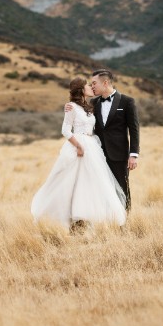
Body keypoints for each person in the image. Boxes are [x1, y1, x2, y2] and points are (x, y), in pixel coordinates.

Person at [31, 76, 126, 230]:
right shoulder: (72, 107)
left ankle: (89, 217)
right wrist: (79, 146)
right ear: (81, 89)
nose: (91, 87)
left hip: (92, 146)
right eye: (88, 85)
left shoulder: (88, 106)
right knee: (71, 181)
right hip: (79, 147)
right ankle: (69, 216)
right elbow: (65, 130)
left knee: (92, 181)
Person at [66, 68, 140, 211]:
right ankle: (105, 222)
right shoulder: (93, 103)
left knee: (122, 188)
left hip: (119, 155)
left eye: (94, 83)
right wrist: (70, 106)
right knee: (99, 190)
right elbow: (79, 113)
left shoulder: (127, 102)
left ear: (105, 83)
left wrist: (134, 155)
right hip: (97, 155)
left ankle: (124, 222)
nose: (92, 86)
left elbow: (134, 129)